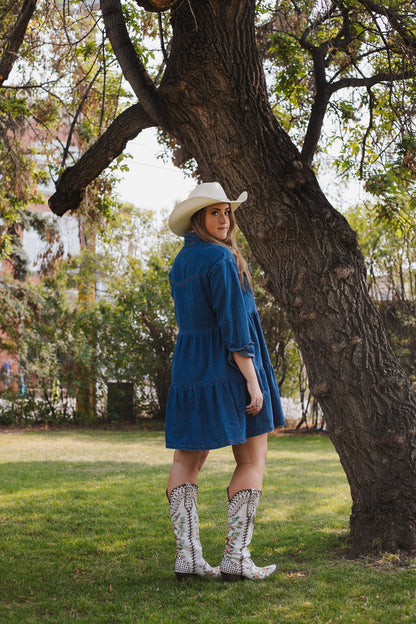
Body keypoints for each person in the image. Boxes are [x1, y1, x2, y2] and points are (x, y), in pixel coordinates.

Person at [165, 182, 285, 583]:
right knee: (251, 458)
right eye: (214, 212)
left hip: (190, 367)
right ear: (199, 218)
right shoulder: (220, 259)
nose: (224, 219)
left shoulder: (182, 261)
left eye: (227, 212)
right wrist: (253, 380)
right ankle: (235, 558)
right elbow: (234, 327)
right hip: (229, 366)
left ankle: (189, 558)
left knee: (187, 459)